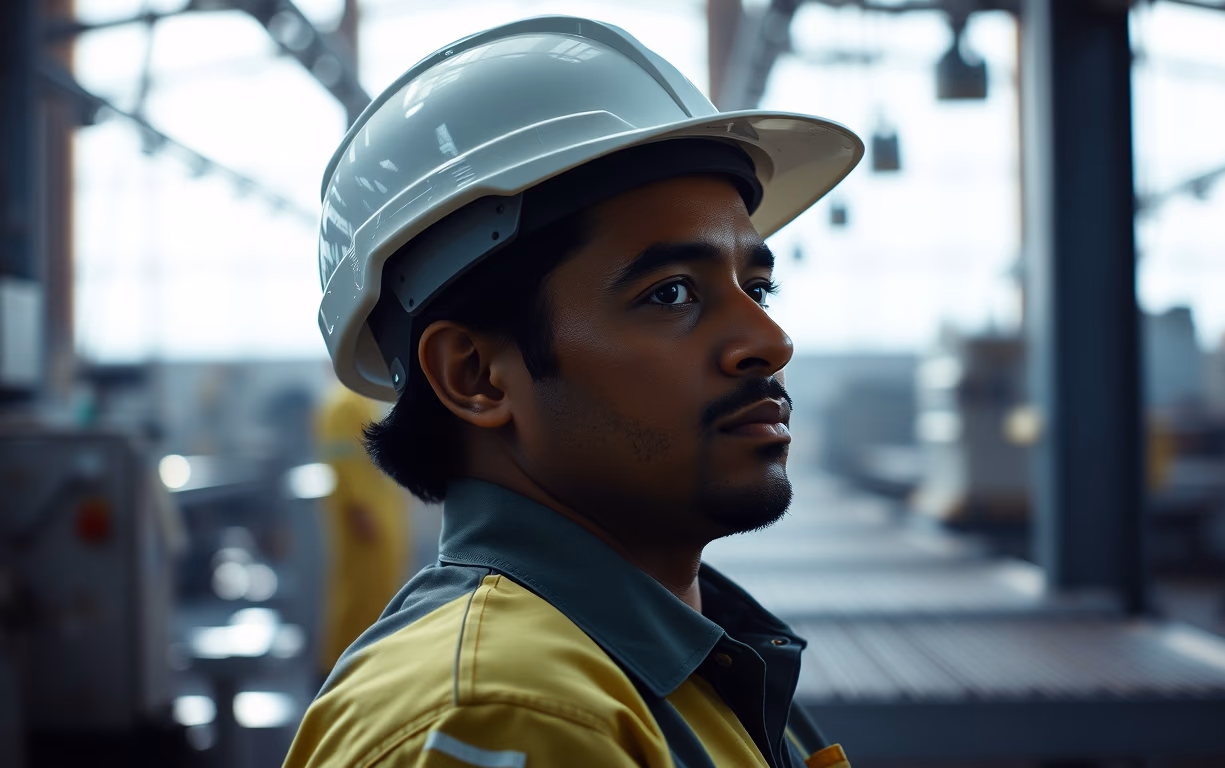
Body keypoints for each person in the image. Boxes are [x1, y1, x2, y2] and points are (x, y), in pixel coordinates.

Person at [285, 16, 862, 768]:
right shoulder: (510, 713)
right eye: (673, 293)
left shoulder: (678, 669)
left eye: (758, 286)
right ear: (476, 375)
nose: (770, 341)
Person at [313, 382, 408, 677]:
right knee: (359, 596)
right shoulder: (345, 405)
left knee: (377, 593)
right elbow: (342, 462)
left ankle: (369, 666)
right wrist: (358, 508)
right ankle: (340, 670)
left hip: (378, 515)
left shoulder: (363, 402)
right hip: (365, 520)